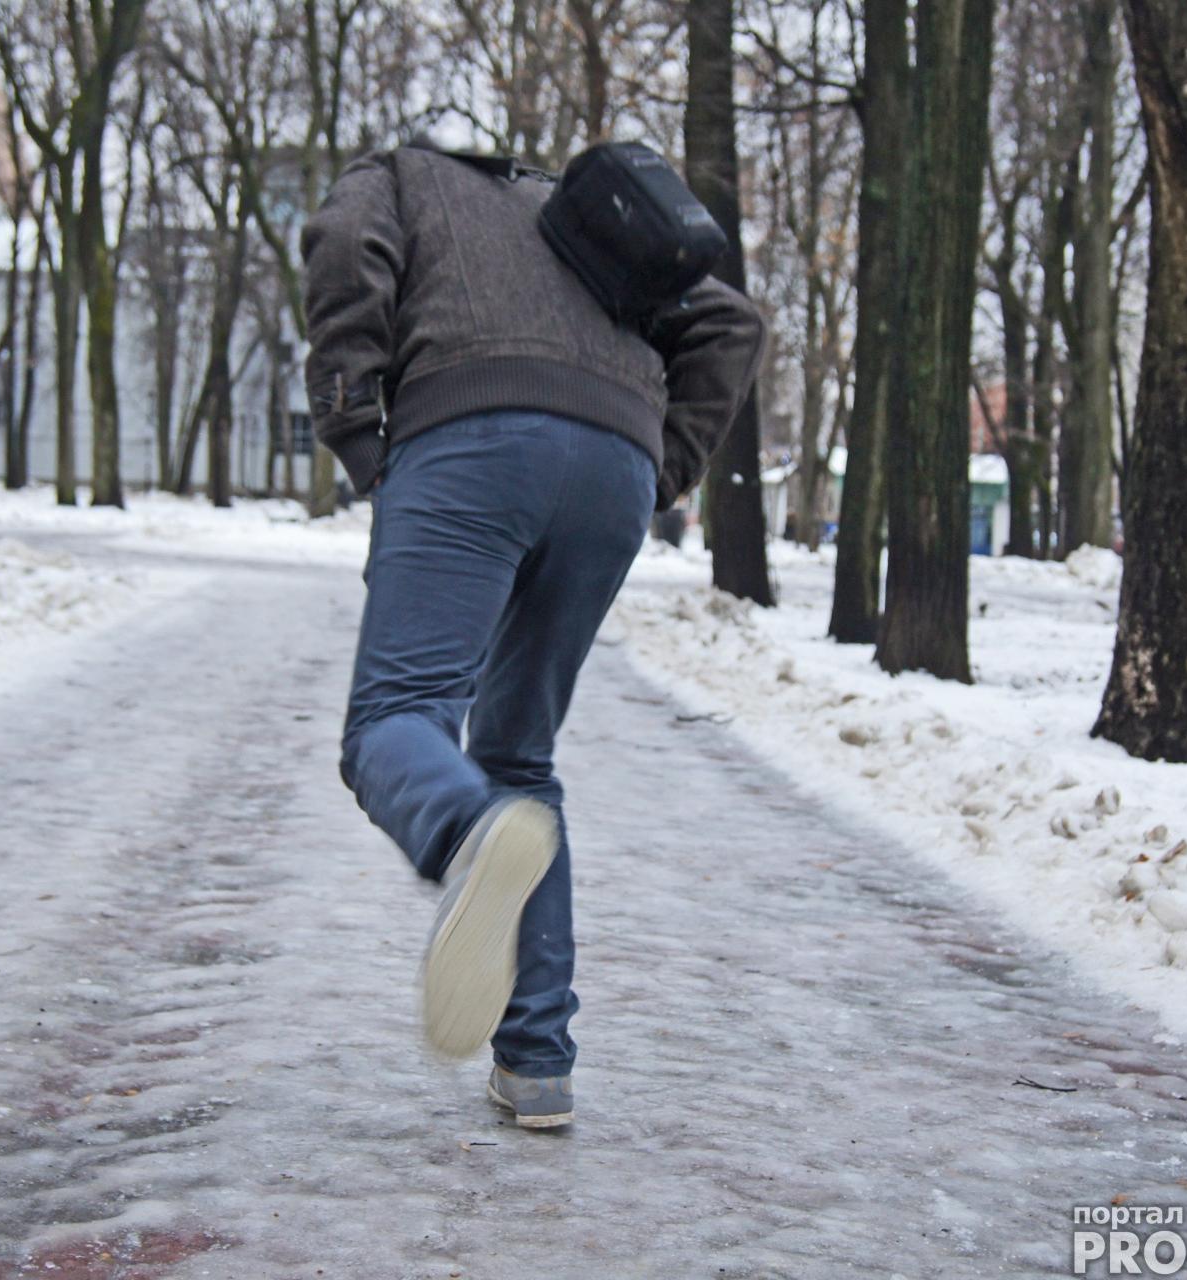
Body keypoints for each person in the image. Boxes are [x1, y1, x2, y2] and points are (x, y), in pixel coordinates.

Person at [300, 137, 764, 1130]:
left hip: (467, 435)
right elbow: (726, 317)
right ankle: (536, 1059)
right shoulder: (593, 211)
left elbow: (346, 244)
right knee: (517, 753)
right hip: (612, 465)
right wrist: (660, 468)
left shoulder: (396, 174)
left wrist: (353, 426)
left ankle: (465, 837)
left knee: (394, 718)